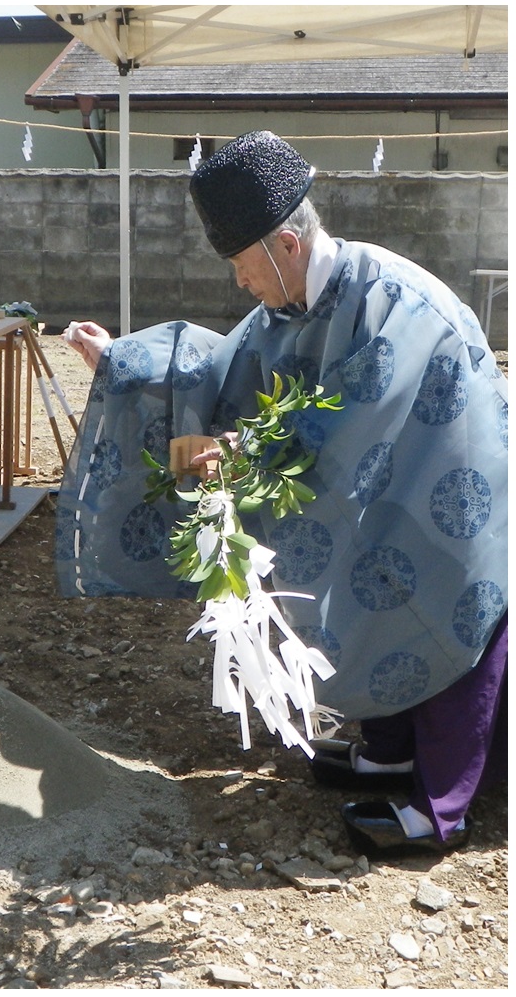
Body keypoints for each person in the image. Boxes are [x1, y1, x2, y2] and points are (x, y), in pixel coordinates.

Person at [62, 130, 506, 858]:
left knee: (443, 610)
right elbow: (223, 367)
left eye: (243, 266)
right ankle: (390, 751)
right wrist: (122, 359)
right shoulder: (287, 306)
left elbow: (356, 411)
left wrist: (246, 448)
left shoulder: (393, 301)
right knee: (375, 599)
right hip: (384, 485)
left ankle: (442, 808)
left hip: (449, 487)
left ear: (284, 246)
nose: (241, 284)